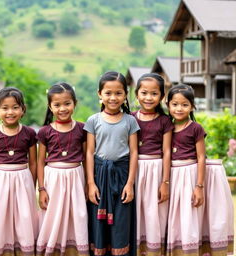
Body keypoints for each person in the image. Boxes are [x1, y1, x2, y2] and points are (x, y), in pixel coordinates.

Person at [84, 71, 140, 256]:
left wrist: (130, 184)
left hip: (122, 174)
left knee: (121, 220)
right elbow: (89, 152)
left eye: (118, 93)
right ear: (99, 94)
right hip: (100, 176)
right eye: (108, 93)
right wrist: (91, 184)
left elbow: (133, 153)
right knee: (99, 221)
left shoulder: (130, 121)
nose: (113, 98)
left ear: (126, 95)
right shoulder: (93, 120)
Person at [0, 87, 38, 256]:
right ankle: (0, 248)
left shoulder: (29, 133)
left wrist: (32, 185)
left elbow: (33, 163)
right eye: (5, 108)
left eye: (15, 107)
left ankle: (24, 249)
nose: (10, 112)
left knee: (24, 217)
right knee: (0, 216)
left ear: (23, 109)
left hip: (23, 179)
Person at [36, 82, 89, 256]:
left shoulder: (82, 129)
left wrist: (89, 183)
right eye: (57, 105)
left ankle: (74, 250)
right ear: (50, 107)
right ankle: (51, 248)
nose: (62, 108)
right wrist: (42, 188)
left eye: (67, 103)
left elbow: (87, 157)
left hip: (76, 176)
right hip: (53, 178)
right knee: (53, 214)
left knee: (77, 214)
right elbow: (40, 161)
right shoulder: (45, 132)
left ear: (75, 103)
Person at [132, 73, 173, 256]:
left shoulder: (165, 121)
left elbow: (166, 152)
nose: (148, 98)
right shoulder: (130, 118)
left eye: (154, 93)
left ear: (162, 97)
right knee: (136, 211)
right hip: (134, 170)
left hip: (156, 170)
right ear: (136, 94)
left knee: (155, 211)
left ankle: (154, 250)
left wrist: (165, 182)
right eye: (144, 92)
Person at [166, 84, 206, 256]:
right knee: (172, 216)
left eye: (184, 105)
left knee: (188, 215)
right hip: (170, 175)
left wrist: (199, 186)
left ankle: (189, 250)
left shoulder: (196, 128)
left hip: (189, 175)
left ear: (192, 106)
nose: (179, 108)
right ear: (168, 105)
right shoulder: (166, 127)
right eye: (175, 104)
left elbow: (201, 157)